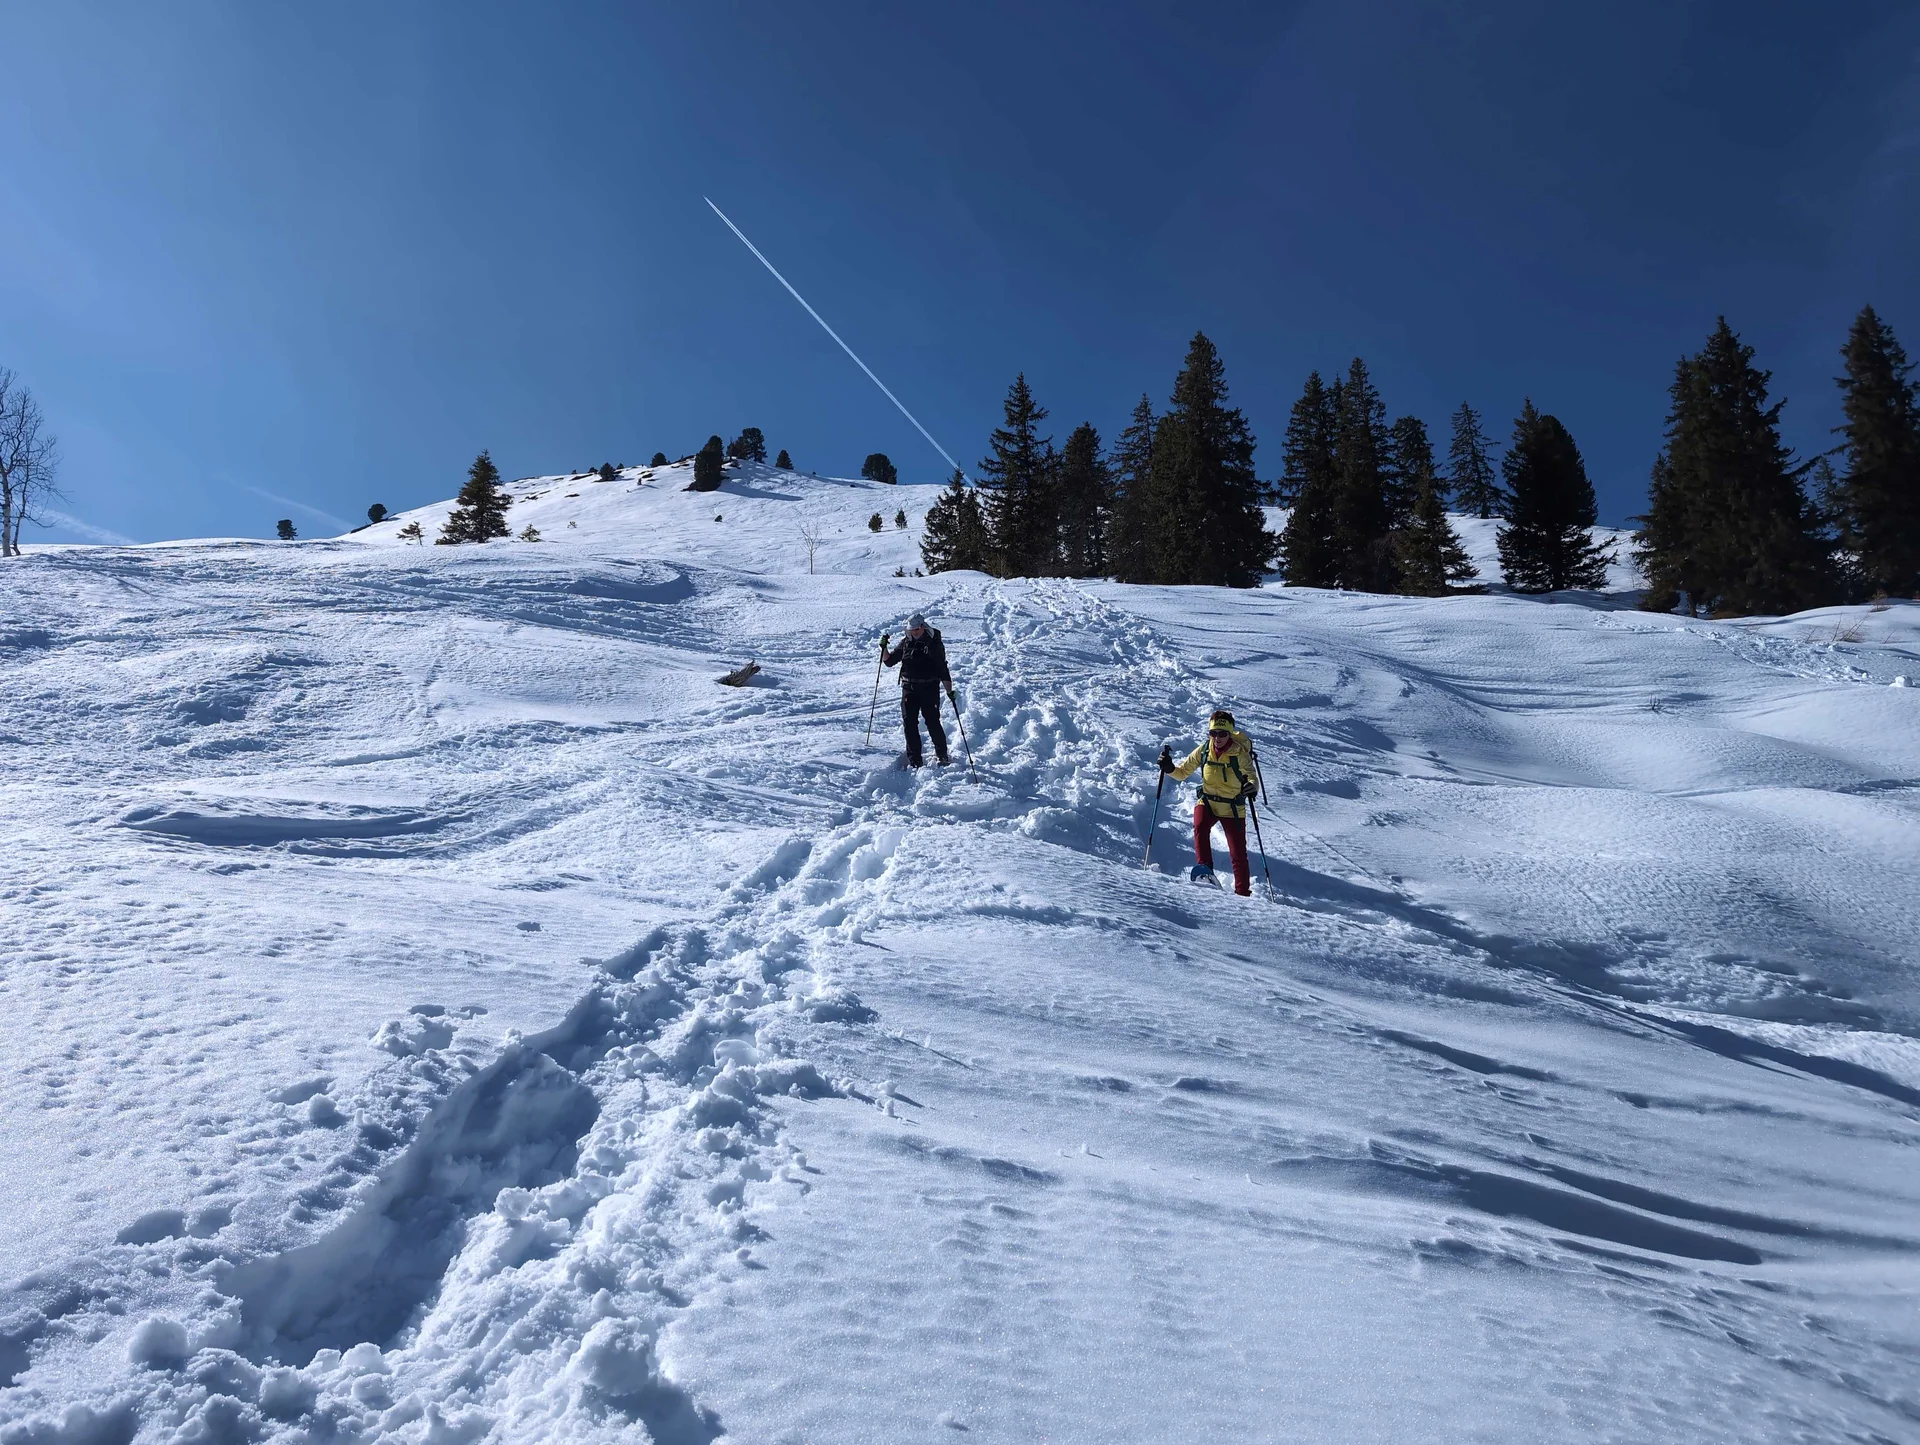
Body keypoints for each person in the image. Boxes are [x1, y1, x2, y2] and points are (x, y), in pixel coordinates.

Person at [1160, 708, 1260, 895]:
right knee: (1200, 826)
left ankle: (1242, 893)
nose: (1217, 737)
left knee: (1238, 853)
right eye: (1213, 733)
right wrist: (1169, 768)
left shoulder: (1239, 753)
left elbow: (1252, 777)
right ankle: (1205, 872)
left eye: (1222, 733)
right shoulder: (1204, 749)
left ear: (1230, 733)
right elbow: (1182, 773)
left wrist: (1251, 787)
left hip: (1232, 807)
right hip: (1208, 802)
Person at [881, 613, 953, 767]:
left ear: (922, 627)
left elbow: (942, 668)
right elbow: (889, 661)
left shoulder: (934, 643)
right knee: (909, 724)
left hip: (929, 688)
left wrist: (949, 690)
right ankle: (915, 760)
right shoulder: (906, 642)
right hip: (908, 688)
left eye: (916, 629)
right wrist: (884, 648)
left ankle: (942, 755)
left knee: (932, 721)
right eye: (911, 629)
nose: (913, 632)